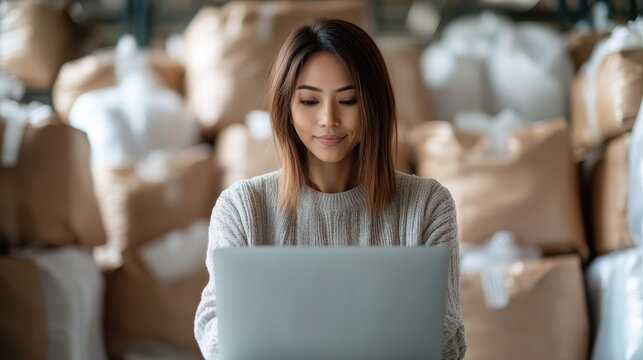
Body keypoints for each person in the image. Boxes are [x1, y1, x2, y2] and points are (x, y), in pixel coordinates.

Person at [194, 19, 466, 359]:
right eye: (309, 101)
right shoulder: (241, 207)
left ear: (373, 105)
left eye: (348, 100)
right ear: (286, 108)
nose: (328, 119)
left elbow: (448, 338)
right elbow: (213, 319)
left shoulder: (428, 205)